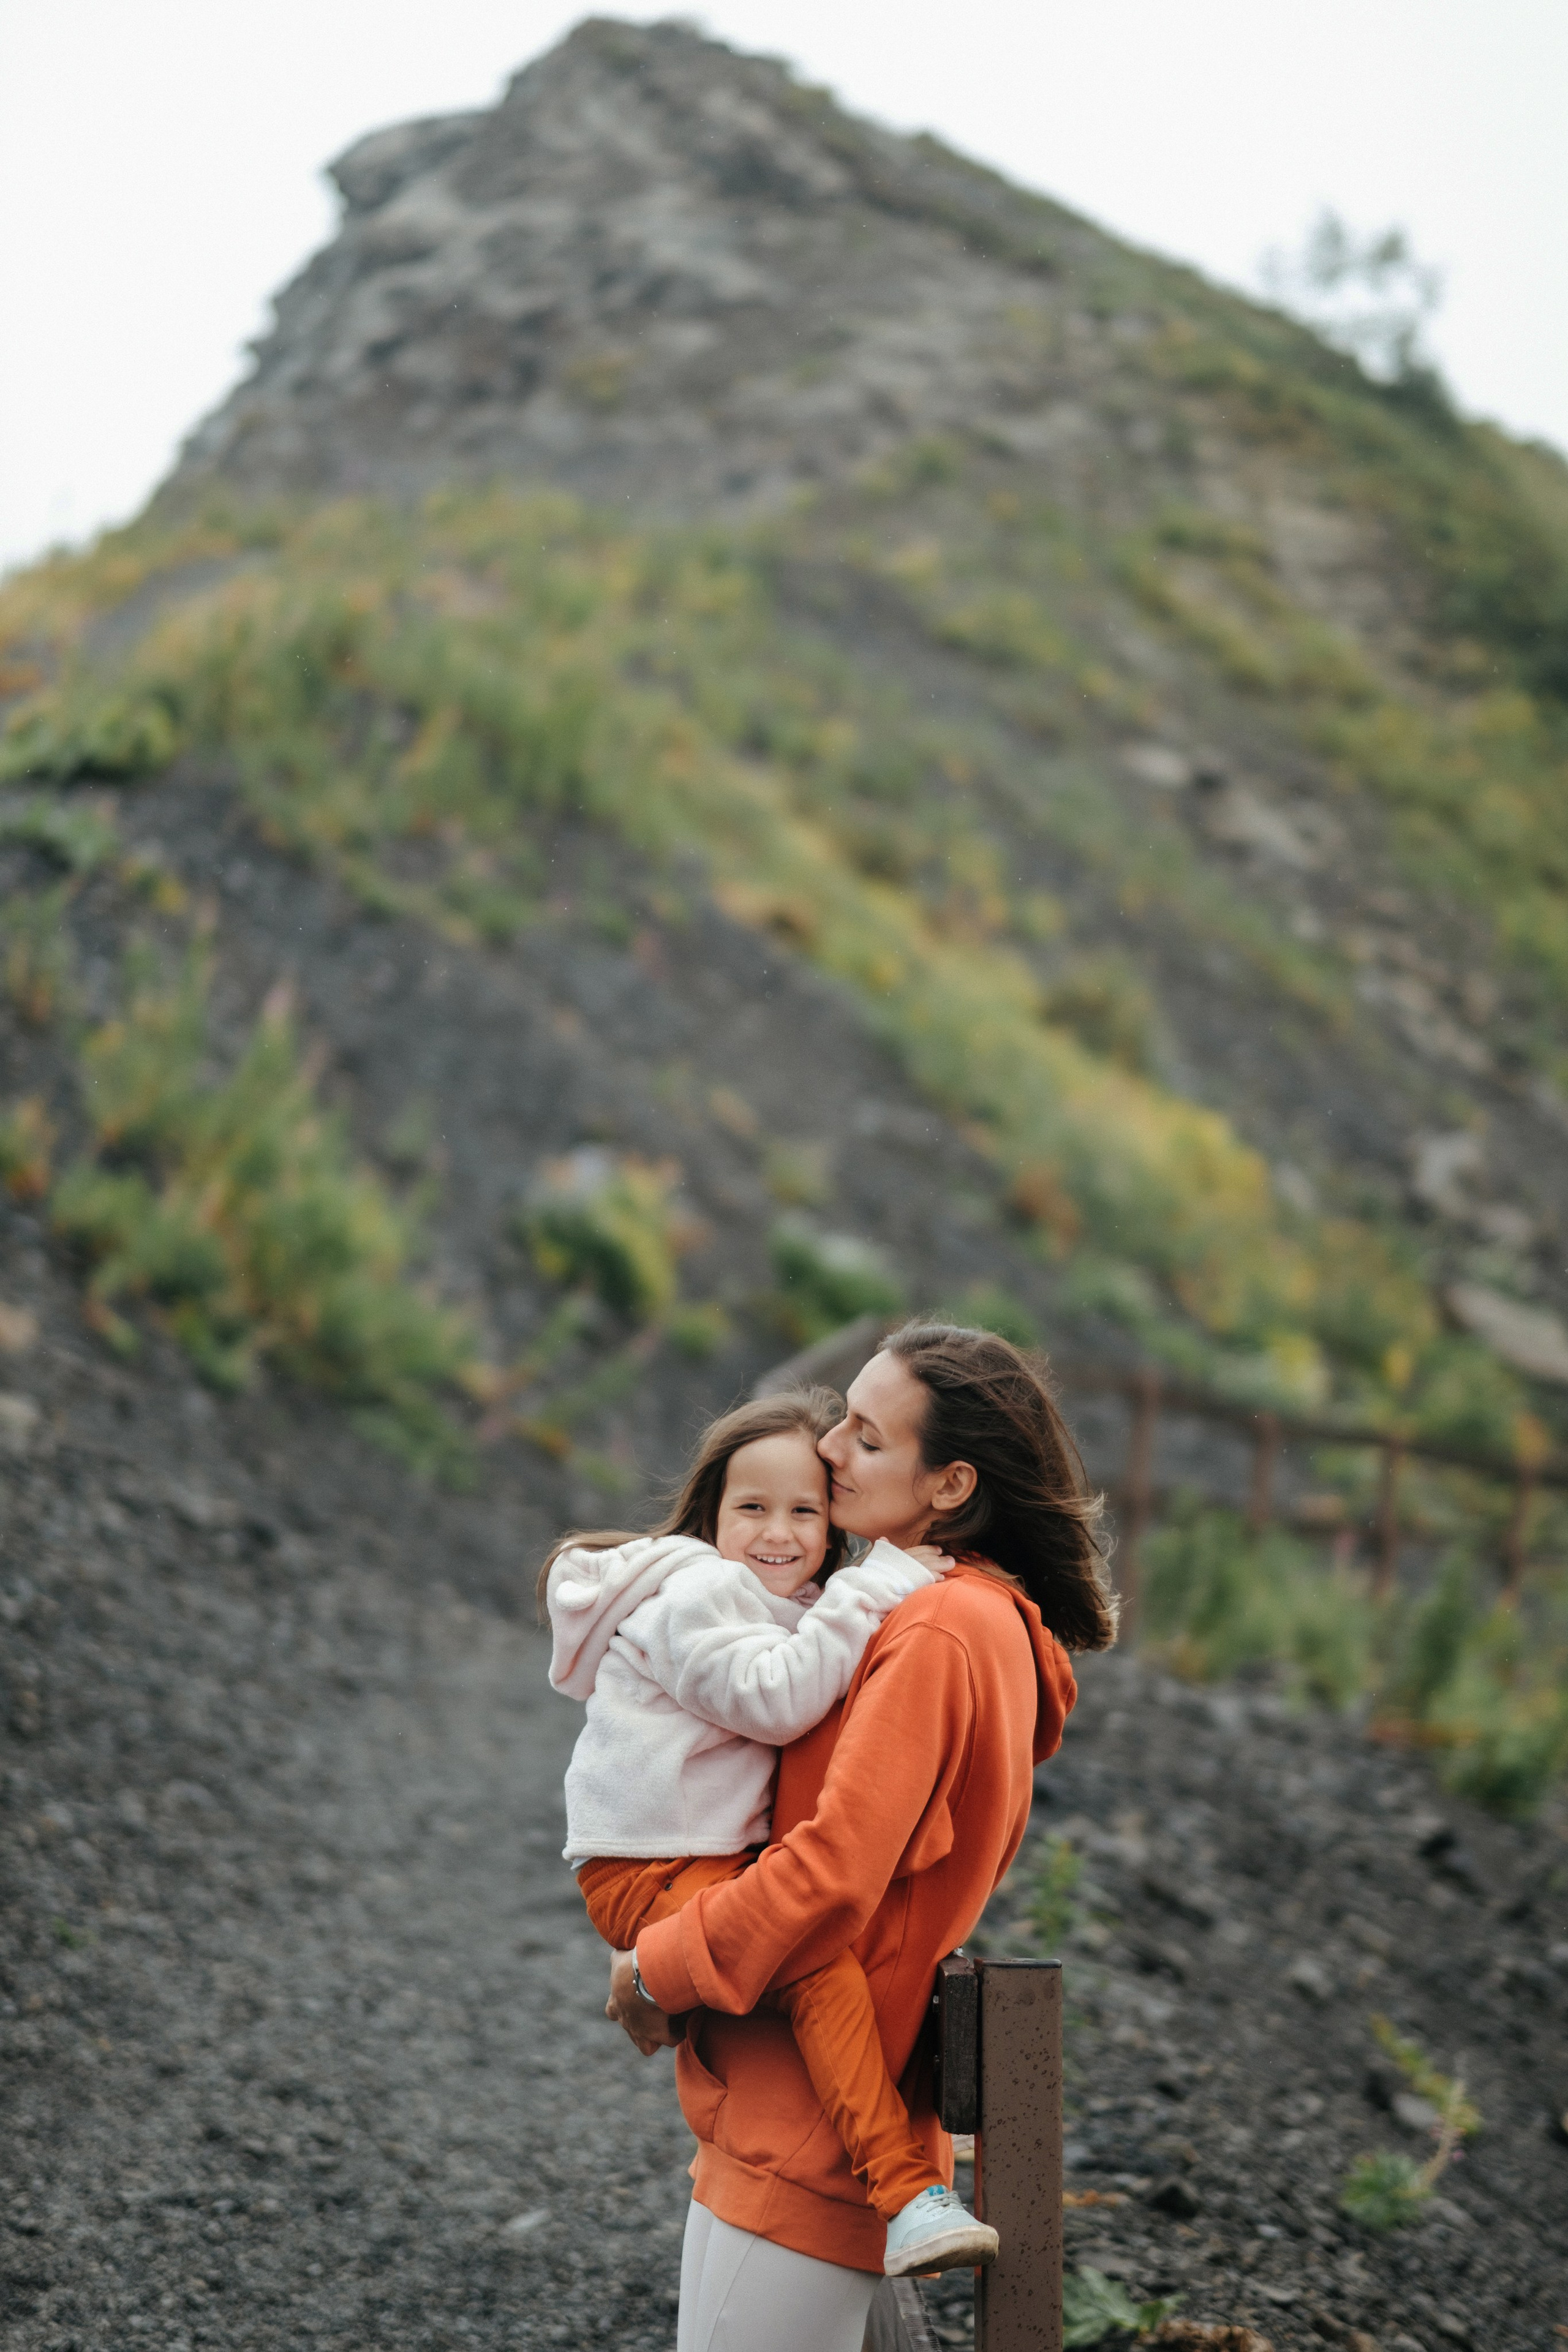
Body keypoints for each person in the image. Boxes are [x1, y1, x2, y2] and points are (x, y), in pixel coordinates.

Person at [606, 1321, 1118, 2352]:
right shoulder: (950, 1613)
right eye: (844, 1415)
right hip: (791, 2096)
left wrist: (658, 1968)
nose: (830, 1448)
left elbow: (835, 1872)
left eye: (869, 1439)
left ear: (950, 1485)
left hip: (817, 2124)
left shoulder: (937, 1630)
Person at [540, 1388, 1000, 2279]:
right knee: (815, 1964)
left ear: (833, 1524)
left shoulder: (787, 1600)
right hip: (645, 1867)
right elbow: (776, 1700)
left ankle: (899, 2163)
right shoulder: (699, 1591)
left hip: (697, 1856)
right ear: (712, 1515)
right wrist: (881, 1582)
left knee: (807, 1958)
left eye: (805, 1511)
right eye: (752, 1508)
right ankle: (905, 2193)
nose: (777, 1533)